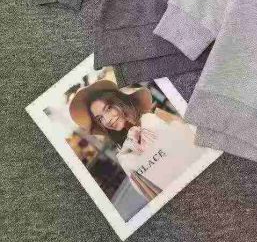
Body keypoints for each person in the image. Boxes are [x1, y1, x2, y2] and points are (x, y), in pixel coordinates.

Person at [69, 79, 209, 200]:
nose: (107, 120)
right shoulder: (124, 156)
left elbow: (196, 147)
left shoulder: (154, 119)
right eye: (100, 118)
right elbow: (149, 193)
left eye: (108, 108)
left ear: (118, 102)